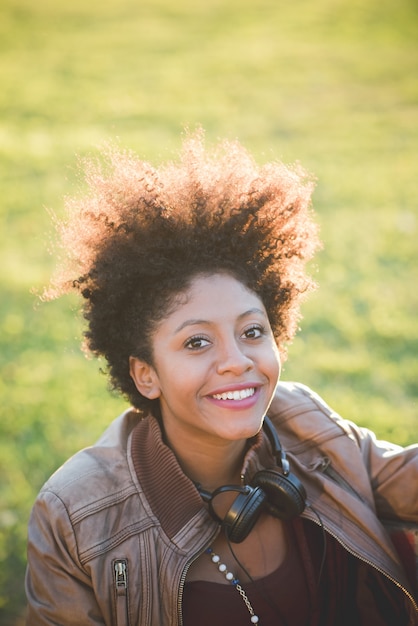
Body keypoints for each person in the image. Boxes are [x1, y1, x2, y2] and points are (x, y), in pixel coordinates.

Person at [25, 131, 418, 625]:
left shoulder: (306, 424)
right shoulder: (77, 516)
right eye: (196, 342)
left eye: (252, 331)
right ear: (146, 374)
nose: (237, 361)